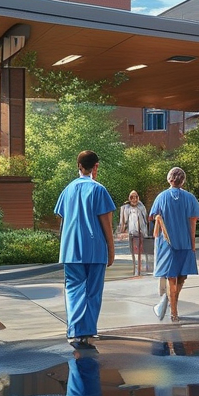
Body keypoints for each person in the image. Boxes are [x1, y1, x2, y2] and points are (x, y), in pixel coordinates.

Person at [55, 150, 116, 350]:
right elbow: (106, 222)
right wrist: (111, 248)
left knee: (73, 290)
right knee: (93, 291)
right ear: (95, 166)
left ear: (78, 166)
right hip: (95, 248)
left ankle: (74, 331)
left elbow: (62, 222)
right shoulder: (99, 190)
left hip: (71, 248)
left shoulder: (68, 189)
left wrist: (62, 247)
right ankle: (88, 330)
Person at [150, 166, 199, 322]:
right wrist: (193, 244)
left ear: (169, 179)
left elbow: (154, 217)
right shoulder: (190, 198)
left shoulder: (161, 197)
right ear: (183, 180)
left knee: (171, 277)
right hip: (185, 242)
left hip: (167, 245)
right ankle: (173, 308)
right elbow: (193, 221)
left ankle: (172, 309)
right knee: (181, 277)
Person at [118, 190, 150, 276]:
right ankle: (134, 267)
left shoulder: (141, 207)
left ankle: (142, 267)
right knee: (133, 250)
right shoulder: (125, 208)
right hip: (131, 232)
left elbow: (146, 220)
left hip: (141, 232)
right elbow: (123, 221)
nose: (134, 199)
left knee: (142, 250)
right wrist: (121, 231)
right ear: (129, 198)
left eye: (136, 197)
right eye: (132, 197)